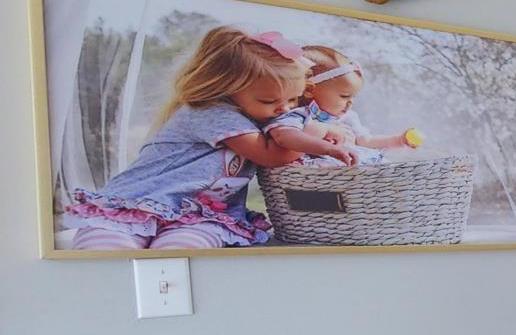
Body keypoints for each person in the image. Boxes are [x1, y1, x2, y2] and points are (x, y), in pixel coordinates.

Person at [62, 27, 351, 251]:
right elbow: (270, 155)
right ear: (228, 88)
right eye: (269, 100)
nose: (285, 108)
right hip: (138, 203)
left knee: (183, 254)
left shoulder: (268, 117)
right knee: (108, 252)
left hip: (203, 217)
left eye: (293, 99)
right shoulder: (210, 112)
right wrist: (316, 132)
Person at [283, 44, 423, 164]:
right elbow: (293, 139)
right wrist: (325, 130)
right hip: (323, 170)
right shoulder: (299, 116)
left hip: (355, 167)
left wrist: (398, 139)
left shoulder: (348, 118)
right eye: (344, 96)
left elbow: (366, 141)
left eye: (353, 96)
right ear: (309, 90)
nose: (350, 102)